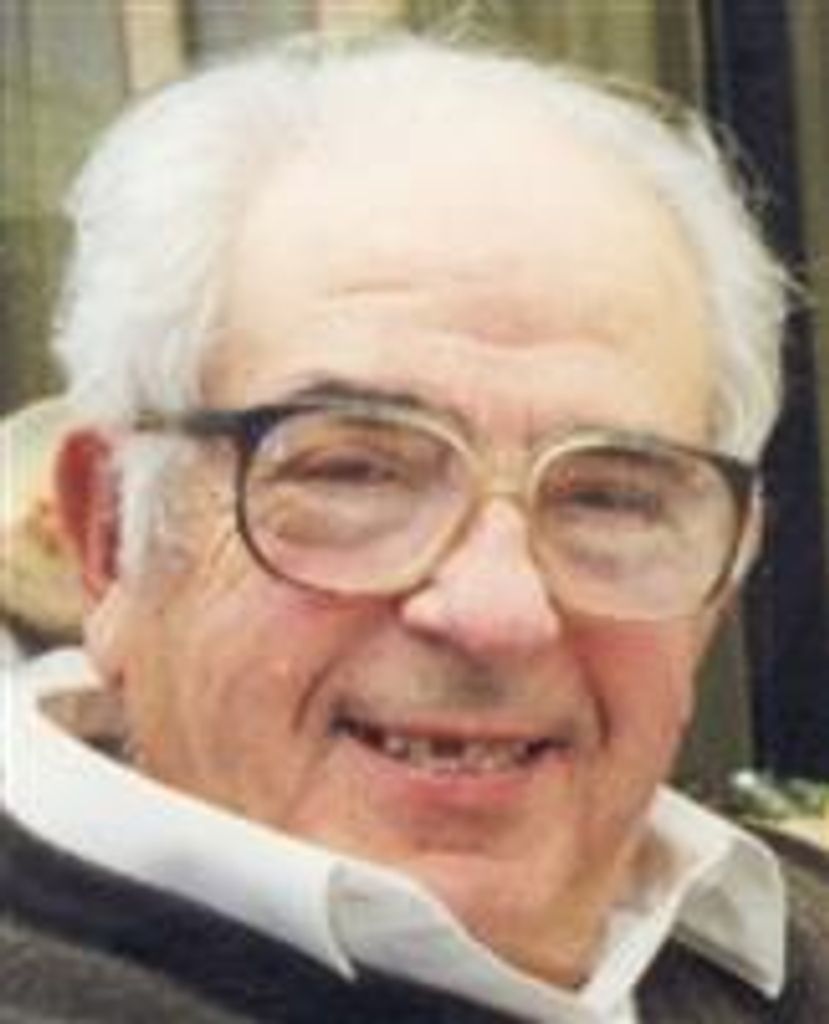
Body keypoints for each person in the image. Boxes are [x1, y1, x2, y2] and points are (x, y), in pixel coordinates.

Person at [2, 33, 827, 1024]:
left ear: (723, 575)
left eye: (609, 496)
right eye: (355, 473)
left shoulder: (777, 941)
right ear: (110, 535)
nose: (497, 612)